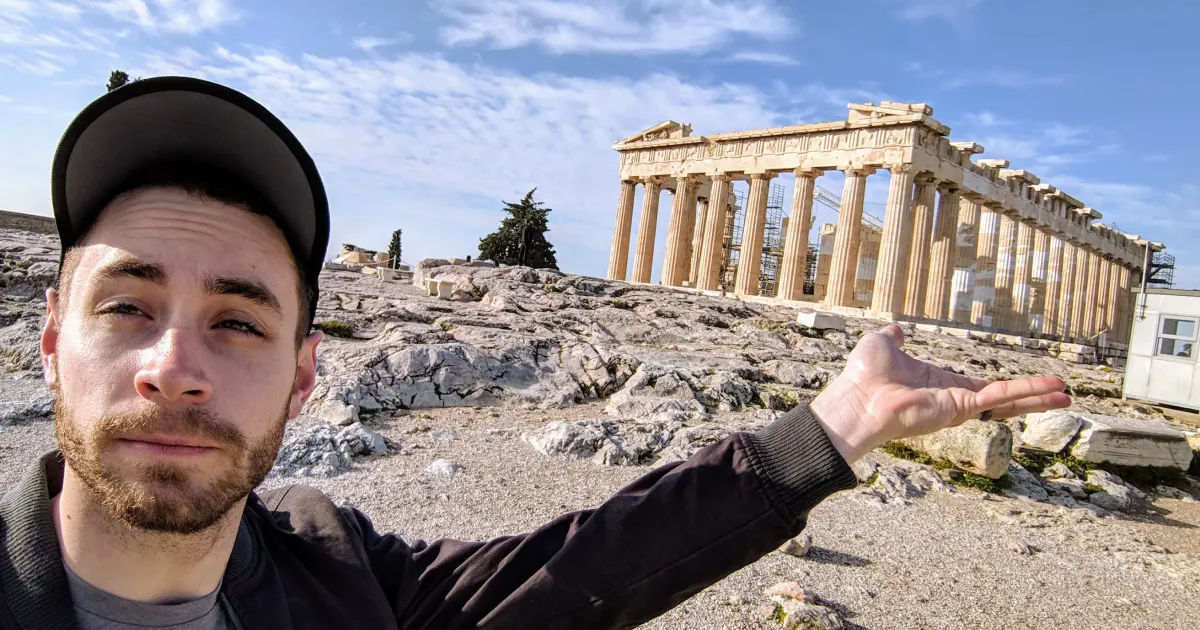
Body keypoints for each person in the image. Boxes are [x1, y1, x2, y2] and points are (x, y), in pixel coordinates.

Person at [0, 77, 1071, 630]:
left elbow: (583, 567)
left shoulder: (344, 579)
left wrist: (835, 429)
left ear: (305, 374)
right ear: (48, 340)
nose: (173, 364)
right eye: (127, 306)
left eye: (240, 320)